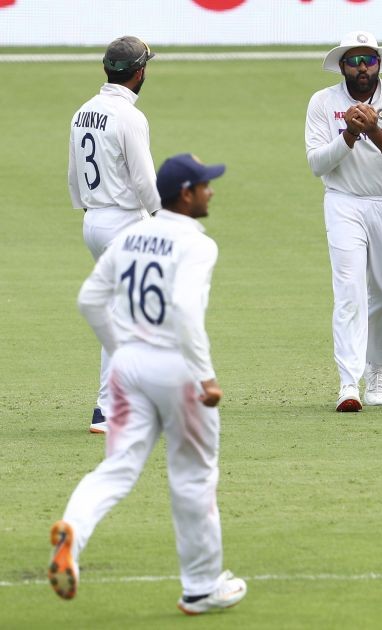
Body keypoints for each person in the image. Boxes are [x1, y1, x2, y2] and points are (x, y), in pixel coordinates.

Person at [49, 154, 247, 615]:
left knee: (117, 468)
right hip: (176, 371)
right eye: (204, 185)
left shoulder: (132, 235)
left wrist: (122, 350)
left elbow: (90, 299)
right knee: (193, 476)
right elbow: (183, 311)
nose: (210, 191)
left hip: (128, 369)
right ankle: (200, 587)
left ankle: (72, 534)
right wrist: (205, 375)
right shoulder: (199, 245)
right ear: (186, 194)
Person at [305, 31, 382, 412]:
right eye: (353, 61)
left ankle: (377, 367)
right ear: (341, 65)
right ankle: (348, 383)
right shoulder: (323, 102)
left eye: (368, 61)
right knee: (349, 290)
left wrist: (373, 130)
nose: (361, 68)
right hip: (343, 203)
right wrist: (349, 134)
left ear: (379, 65)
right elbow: (316, 163)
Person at [68, 35, 161, 434]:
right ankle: (108, 409)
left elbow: (74, 175)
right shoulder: (130, 117)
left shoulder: (82, 112)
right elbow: (144, 179)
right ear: (139, 72)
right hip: (125, 223)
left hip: (94, 221)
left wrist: (91, 211)